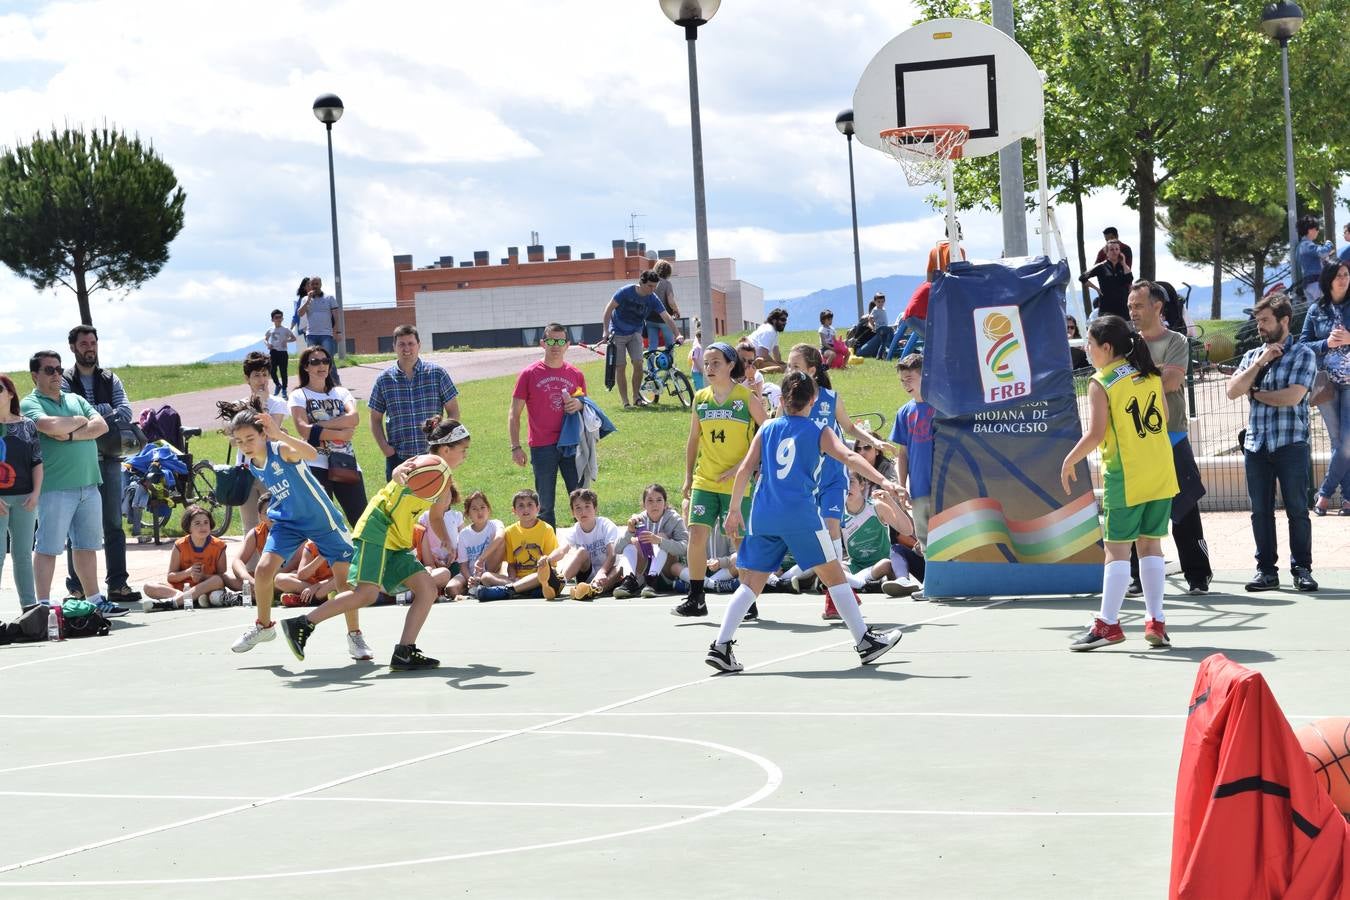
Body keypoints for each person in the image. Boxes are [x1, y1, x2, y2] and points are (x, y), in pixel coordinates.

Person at [704, 371, 907, 673]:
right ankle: (865, 641)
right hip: (798, 514)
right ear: (813, 400)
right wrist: (883, 481)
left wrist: (734, 511)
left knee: (750, 583)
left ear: (782, 400)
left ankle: (720, 646)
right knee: (835, 575)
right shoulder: (819, 430)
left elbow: (745, 469)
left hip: (762, 515)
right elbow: (850, 458)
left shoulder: (768, 428)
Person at [281, 416, 470, 670]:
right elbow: (399, 471)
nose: (466, 456)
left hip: (396, 540)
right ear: (446, 449)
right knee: (366, 593)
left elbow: (436, 517)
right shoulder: (430, 464)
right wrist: (396, 472)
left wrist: (447, 539)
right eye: (463, 450)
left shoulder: (443, 481)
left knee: (426, 588)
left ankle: (405, 651)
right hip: (378, 529)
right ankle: (302, 623)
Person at [1060, 315, 1179, 651]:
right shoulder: (1149, 373)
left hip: (1127, 474)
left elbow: (1096, 434)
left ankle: (1108, 624)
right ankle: (1155, 620)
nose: (1086, 348)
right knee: (1151, 545)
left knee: (1116, 551)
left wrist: (1070, 458)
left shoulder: (1103, 382)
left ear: (1106, 347)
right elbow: (1165, 420)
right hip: (1160, 471)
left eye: (1090, 343)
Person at [221, 399, 368, 660]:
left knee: (344, 582)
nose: (245, 445)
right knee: (264, 569)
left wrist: (278, 434)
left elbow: (311, 454)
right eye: (240, 441)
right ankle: (264, 626)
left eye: (249, 439)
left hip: (322, 520)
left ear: (263, 434)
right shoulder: (254, 464)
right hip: (288, 520)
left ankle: (355, 636)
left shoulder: (281, 450)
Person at [784, 343, 890, 617]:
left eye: (795, 366)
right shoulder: (789, 403)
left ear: (811, 370)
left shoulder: (831, 399)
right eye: (788, 366)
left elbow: (851, 428)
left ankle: (834, 595)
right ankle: (839, 585)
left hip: (832, 475)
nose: (789, 371)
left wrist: (875, 442)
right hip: (806, 478)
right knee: (815, 538)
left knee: (832, 532)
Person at [20, 350, 126, 617]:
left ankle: (94, 600)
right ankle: (41, 607)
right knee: (47, 547)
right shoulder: (30, 403)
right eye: (49, 370)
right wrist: (80, 422)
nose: (56, 374)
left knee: (87, 546)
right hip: (54, 487)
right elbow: (47, 425)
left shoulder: (75, 398)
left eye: (58, 368)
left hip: (89, 484)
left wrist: (68, 435)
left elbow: (100, 425)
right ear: (35, 376)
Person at [1225, 293, 1319, 593]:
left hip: (1291, 444)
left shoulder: (1303, 354)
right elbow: (1231, 390)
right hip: (1256, 446)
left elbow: (1292, 397)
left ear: (1284, 320)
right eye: (1258, 321)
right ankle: (1266, 571)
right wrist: (1259, 365)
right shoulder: (1253, 356)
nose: (1260, 327)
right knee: (1260, 512)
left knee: (1297, 509)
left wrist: (1254, 394)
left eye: (1265, 321)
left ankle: (1302, 568)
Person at [1127, 281, 1213, 596]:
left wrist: (1137, 378)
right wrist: (1153, 373)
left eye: (1138, 305)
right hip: (1137, 442)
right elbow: (1124, 384)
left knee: (1185, 509)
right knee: (1138, 511)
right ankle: (1137, 577)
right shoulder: (1127, 343)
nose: (1133, 312)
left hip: (1172, 437)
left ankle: (1198, 576)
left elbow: (1173, 381)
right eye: (1130, 306)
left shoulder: (1176, 340)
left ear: (1157, 307)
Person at [672, 342, 767, 618]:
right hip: (705, 479)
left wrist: (742, 466)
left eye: (716, 363)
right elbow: (693, 440)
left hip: (736, 483)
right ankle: (696, 598)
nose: (709, 367)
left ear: (730, 365)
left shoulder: (745, 397)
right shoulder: (700, 398)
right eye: (707, 363)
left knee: (737, 539)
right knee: (697, 534)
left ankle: (748, 599)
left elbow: (768, 434)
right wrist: (688, 476)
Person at [61, 325, 139, 606]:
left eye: (93, 342)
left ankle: (118, 584)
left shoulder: (111, 378)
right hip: (78, 462)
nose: (89, 348)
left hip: (109, 459)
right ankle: (77, 587)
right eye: (83, 343)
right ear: (73, 347)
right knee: (77, 526)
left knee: (113, 524)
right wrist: (102, 414)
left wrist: (92, 416)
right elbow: (67, 413)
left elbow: (127, 412)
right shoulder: (64, 381)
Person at [509, 323, 587, 528]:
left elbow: (587, 407)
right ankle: (548, 550)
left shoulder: (576, 374)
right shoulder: (529, 374)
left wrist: (578, 403)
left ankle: (585, 546)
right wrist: (515, 446)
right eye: (551, 340)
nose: (556, 345)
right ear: (543, 343)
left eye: (560, 341)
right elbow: (514, 413)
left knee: (580, 499)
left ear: (567, 345)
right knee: (544, 504)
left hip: (571, 444)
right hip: (542, 446)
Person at [369, 324, 461, 480]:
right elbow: (375, 419)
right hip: (399, 459)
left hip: (433, 456)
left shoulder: (437, 374)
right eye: (401, 344)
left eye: (411, 343)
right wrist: (386, 449)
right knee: (399, 503)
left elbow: (453, 411)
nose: (406, 348)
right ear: (394, 347)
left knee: (435, 503)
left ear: (419, 345)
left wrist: (444, 441)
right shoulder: (384, 380)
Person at [291, 344, 367, 526]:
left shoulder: (340, 392)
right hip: (314, 464)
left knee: (362, 521)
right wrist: (341, 433)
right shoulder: (299, 395)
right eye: (315, 362)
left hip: (345, 462)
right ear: (305, 367)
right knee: (323, 523)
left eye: (325, 361)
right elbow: (303, 430)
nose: (321, 365)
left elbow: (354, 418)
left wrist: (317, 427)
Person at [1299, 261, 1350, 515]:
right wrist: (1326, 344)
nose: (1343, 279)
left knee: (1347, 442)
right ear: (1328, 280)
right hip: (1325, 383)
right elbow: (1303, 344)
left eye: (1346, 274)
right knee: (1337, 441)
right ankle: (1349, 499)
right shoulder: (1315, 311)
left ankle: (1325, 494)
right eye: (1338, 275)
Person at [601, 270, 684, 409]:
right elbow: (608, 309)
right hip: (618, 332)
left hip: (635, 331)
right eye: (650, 286)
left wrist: (678, 334)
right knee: (621, 367)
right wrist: (605, 330)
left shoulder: (653, 298)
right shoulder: (625, 292)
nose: (652, 290)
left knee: (638, 364)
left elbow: (666, 317)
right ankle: (626, 402)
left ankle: (636, 398)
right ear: (641, 282)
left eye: (655, 287)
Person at [140, 505, 242, 611]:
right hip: (183, 588)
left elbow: (221, 577)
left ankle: (175, 602)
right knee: (149, 586)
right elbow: (171, 577)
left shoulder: (219, 546)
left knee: (217, 580)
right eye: (197, 523)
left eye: (206, 522)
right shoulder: (180, 545)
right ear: (188, 527)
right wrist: (188, 572)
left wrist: (203, 576)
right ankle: (191, 598)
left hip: (206, 588)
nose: (203, 526)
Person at [235, 351, 290, 536]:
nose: (261, 380)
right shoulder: (238, 406)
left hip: (271, 470)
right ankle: (250, 565)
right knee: (250, 526)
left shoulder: (278, 403)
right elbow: (235, 439)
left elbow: (270, 434)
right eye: (256, 375)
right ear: (247, 378)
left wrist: (264, 403)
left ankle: (277, 564)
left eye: (265, 374)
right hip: (245, 470)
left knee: (273, 521)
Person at [471, 489, 560, 601]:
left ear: (538, 508)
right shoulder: (510, 532)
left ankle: (510, 591)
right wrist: (513, 578)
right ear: (514, 510)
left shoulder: (547, 529)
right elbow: (511, 564)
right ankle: (520, 590)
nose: (525, 509)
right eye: (521, 506)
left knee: (545, 575)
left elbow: (551, 564)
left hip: (538, 577)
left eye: (530, 505)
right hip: (517, 580)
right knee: (486, 577)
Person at [0, 375, 41, 611]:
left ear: (10, 394)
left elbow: (37, 461)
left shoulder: (27, 425)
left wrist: (36, 493)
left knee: (23, 555)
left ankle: (30, 609)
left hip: (26, 498)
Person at [890, 353, 934, 552]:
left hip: (945, 488)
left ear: (924, 375)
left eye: (909, 379)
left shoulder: (941, 407)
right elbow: (903, 454)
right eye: (901, 381)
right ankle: (932, 583)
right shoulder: (904, 412)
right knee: (925, 542)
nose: (905, 384)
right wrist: (901, 485)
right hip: (918, 489)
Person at [614, 483, 689, 598]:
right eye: (650, 501)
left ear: (665, 504)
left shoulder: (674, 519)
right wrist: (629, 532)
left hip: (667, 573)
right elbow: (617, 549)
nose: (655, 504)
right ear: (644, 504)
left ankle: (652, 579)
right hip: (643, 572)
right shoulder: (638, 519)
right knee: (633, 542)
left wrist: (659, 541)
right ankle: (629, 580)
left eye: (659, 500)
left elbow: (684, 548)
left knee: (662, 536)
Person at [555, 488, 623, 601]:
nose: (583, 512)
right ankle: (558, 584)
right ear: (572, 512)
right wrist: (547, 559)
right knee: (581, 551)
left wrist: (602, 572)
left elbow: (612, 555)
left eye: (587, 506)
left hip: (607, 573)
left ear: (595, 508)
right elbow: (562, 550)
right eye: (578, 508)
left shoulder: (606, 525)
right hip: (587, 574)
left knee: (620, 566)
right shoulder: (574, 530)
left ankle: (593, 589)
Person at [295, 275, 342, 383]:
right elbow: (300, 313)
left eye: (317, 284)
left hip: (326, 334)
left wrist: (337, 331)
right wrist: (308, 300)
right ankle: (315, 382)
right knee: (313, 360)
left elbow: (336, 315)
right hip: (311, 334)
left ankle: (335, 383)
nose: (315, 286)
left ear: (321, 284)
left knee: (328, 359)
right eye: (313, 284)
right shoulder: (305, 299)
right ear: (309, 285)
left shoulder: (329, 297)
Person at [457, 491, 504, 596]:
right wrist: (469, 578)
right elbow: (463, 565)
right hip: (471, 573)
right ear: (468, 513)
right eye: (474, 509)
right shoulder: (464, 534)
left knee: (501, 542)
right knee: (451, 588)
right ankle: (472, 589)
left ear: (488, 509)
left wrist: (481, 558)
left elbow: (500, 537)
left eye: (483, 507)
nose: (479, 512)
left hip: (491, 569)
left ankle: (484, 582)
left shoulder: (495, 524)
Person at [1080, 239, 1133, 319]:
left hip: (1123, 308)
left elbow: (1129, 280)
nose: (1114, 252)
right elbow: (1083, 278)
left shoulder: (1123, 267)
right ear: (1107, 252)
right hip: (1107, 308)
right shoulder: (1101, 266)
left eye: (1117, 249)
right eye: (1111, 249)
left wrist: (1124, 262)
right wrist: (1096, 289)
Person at [646, 259, 681, 352]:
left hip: (650, 318)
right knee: (669, 344)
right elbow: (671, 301)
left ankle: (650, 366)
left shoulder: (650, 282)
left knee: (652, 344)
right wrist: (676, 310)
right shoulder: (667, 284)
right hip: (664, 319)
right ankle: (668, 365)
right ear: (668, 272)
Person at [1295, 216, 1333, 301]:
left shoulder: (1299, 248)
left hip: (1307, 284)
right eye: (1317, 229)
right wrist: (1329, 244)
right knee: (1324, 308)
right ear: (1310, 230)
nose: (1318, 231)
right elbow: (1323, 252)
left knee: (1315, 311)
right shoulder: (1307, 245)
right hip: (1316, 283)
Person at [264, 309, 298, 398]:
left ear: (282, 318)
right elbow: (265, 338)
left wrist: (286, 340)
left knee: (283, 372)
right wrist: (267, 344)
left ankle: (284, 389)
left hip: (282, 352)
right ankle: (278, 385)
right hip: (273, 352)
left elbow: (294, 338)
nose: (278, 319)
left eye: (280, 317)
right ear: (272, 319)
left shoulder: (285, 329)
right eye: (276, 317)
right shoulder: (270, 330)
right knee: (272, 371)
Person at [746, 308, 788, 374]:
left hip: (755, 358)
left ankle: (755, 368)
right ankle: (756, 371)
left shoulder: (774, 331)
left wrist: (780, 362)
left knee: (786, 366)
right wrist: (777, 364)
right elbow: (762, 354)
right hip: (750, 359)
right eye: (783, 320)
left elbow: (776, 352)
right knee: (782, 369)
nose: (785, 323)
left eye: (785, 320)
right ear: (774, 320)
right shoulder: (769, 331)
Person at [856, 293, 895, 359]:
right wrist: (874, 327)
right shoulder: (866, 319)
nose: (880, 304)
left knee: (884, 339)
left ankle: (885, 353)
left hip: (869, 347)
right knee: (887, 332)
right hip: (860, 350)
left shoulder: (882, 311)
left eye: (882, 302)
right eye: (878, 302)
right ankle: (890, 349)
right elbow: (869, 322)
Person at [689, 322, 706, 391]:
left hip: (702, 371)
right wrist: (700, 369)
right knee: (700, 389)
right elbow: (694, 359)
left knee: (704, 388)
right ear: (698, 337)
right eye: (700, 338)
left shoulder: (703, 346)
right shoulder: (697, 347)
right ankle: (699, 401)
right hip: (697, 371)